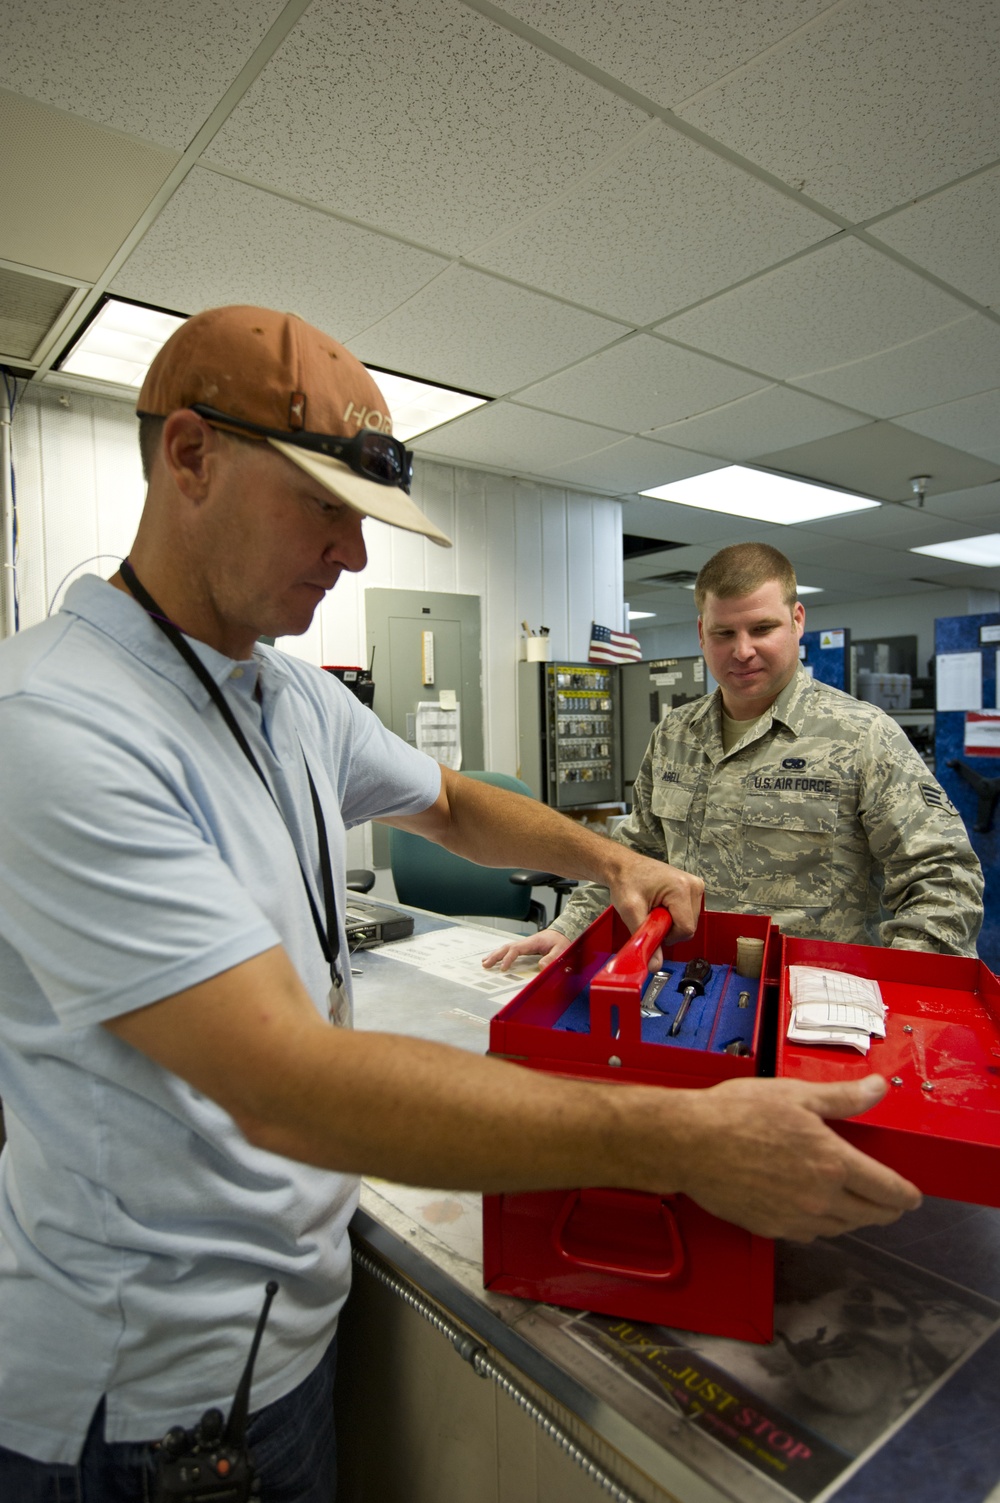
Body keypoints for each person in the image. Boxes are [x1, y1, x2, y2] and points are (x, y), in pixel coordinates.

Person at [0, 308, 921, 1501]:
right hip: (146, 1414)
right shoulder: (59, 724)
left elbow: (448, 802)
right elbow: (282, 1087)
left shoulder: (278, 693)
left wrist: (608, 865)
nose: (357, 555)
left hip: (281, 1338)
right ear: (190, 457)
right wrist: (677, 1141)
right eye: (323, 507)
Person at [485, 541, 983, 974]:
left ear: (797, 620)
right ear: (702, 633)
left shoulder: (861, 735)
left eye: (762, 628)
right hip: (688, 986)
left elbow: (943, 876)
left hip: (814, 1000)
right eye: (724, 633)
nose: (742, 651)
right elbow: (634, 857)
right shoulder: (676, 734)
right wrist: (569, 928)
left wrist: (902, 985)